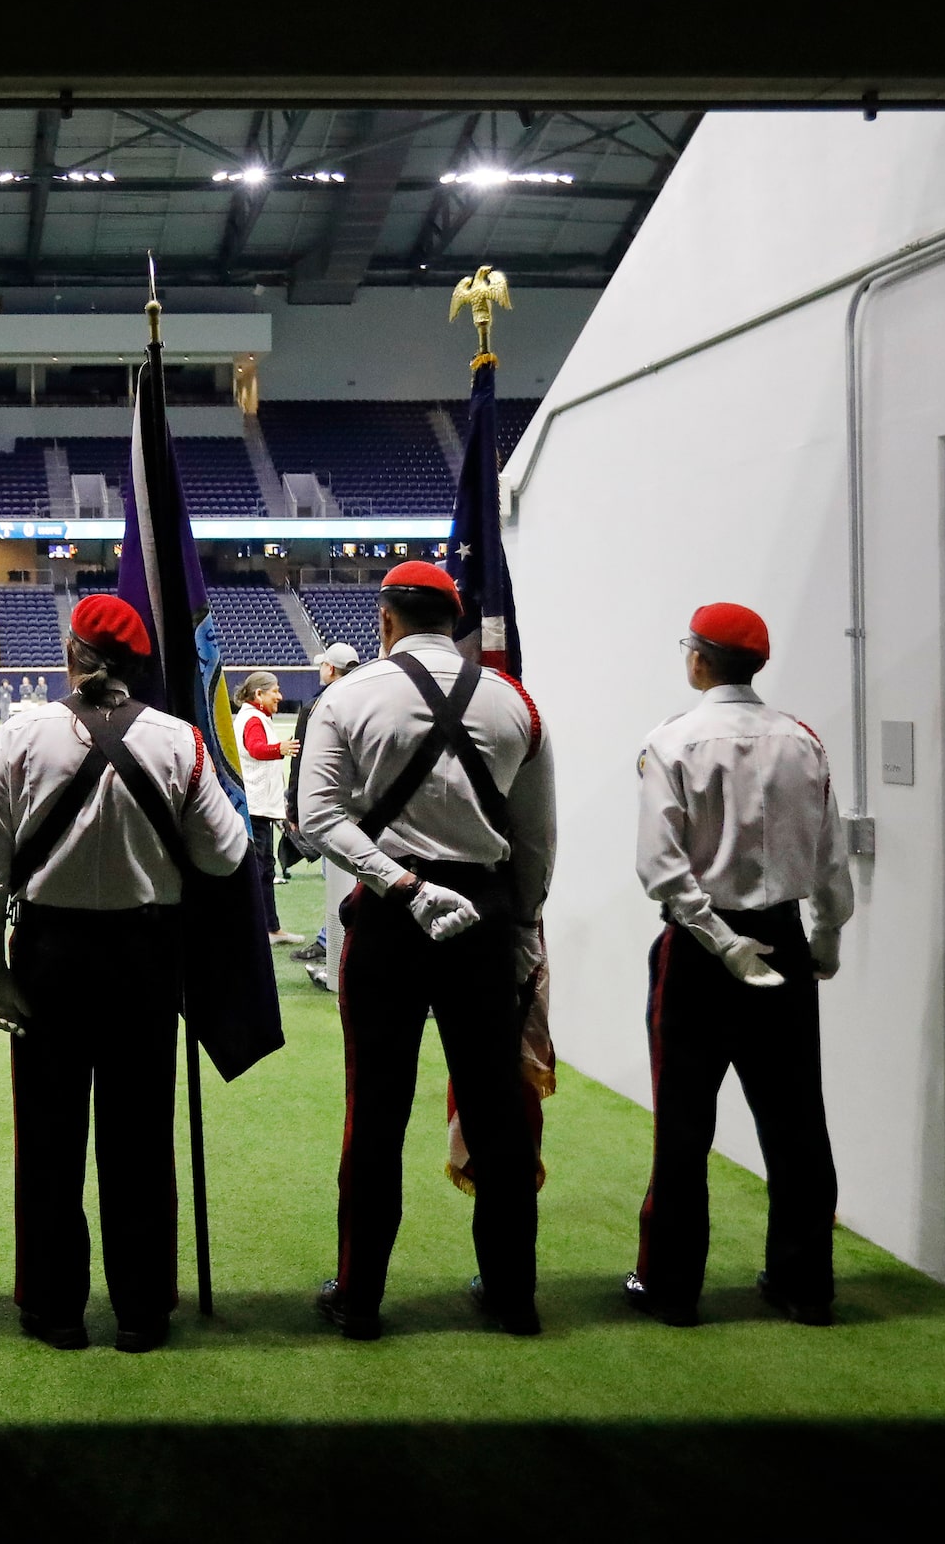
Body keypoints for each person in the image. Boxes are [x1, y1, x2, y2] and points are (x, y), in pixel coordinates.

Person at [0, 594, 252, 1353]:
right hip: (146, 958)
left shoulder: (23, 735)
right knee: (141, 1140)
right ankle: (141, 1311)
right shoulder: (179, 741)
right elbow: (225, 854)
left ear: (72, 654)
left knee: (49, 1139)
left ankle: (54, 1309)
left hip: (49, 957)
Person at [296, 562, 554, 1340]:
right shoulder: (516, 703)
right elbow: (534, 841)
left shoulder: (347, 696)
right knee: (497, 1112)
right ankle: (511, 1296)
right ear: (457, 619)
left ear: (384, 620)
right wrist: (523, 929)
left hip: (386, 922)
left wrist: (398, 884)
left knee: (373, 1112)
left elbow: (317, 817)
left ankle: (360, 1298)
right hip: (483, 920)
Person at [627, 602, 855, 1328]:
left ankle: (671, 1290)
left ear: (697, 660)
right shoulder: (803, 742)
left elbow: (660, 868)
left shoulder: (673, 742)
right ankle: (804, 1284)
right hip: (782, 940)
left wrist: (716, 940)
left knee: (683, 1127)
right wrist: (825, 939)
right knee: (795, 1122)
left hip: (699, 951)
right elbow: (830, 856)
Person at [288, 643, 361, 976]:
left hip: (329, 809)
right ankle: (334, 942)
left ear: (330, 669)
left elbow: (302, 763)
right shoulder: (368, 698)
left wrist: (293, 806)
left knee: (335, 875)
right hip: (365, 811)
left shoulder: (318, 706)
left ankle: (333, 945)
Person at [233, 671, 306, 942]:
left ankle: (268, 926)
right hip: (257, 806)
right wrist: (281, 748)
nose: (280, 696)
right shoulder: (253, 719)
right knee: (263, 868)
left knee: (262, 867)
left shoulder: (252, 716)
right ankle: (268, 927)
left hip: (256, 805)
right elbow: (256, 749)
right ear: (258, 694)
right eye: (275, 690)